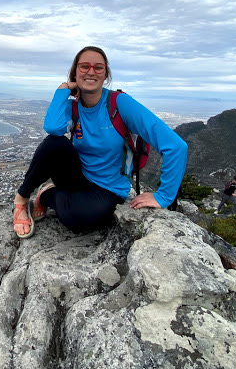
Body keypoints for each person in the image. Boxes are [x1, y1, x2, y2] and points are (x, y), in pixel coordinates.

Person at [12, 46, 188, 238]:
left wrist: (163, 196)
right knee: (54, 143)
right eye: (84, 66)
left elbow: (176, 146)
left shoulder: (120, 103)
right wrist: (63, 89)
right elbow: (53, 128)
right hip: (76, 176)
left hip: (108, 187)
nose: (91, 72)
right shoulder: (73, 106)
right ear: (75, 72)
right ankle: (21, 200)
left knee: (76, 219)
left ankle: (46, 195)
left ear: (105, 74)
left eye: (98, 67)